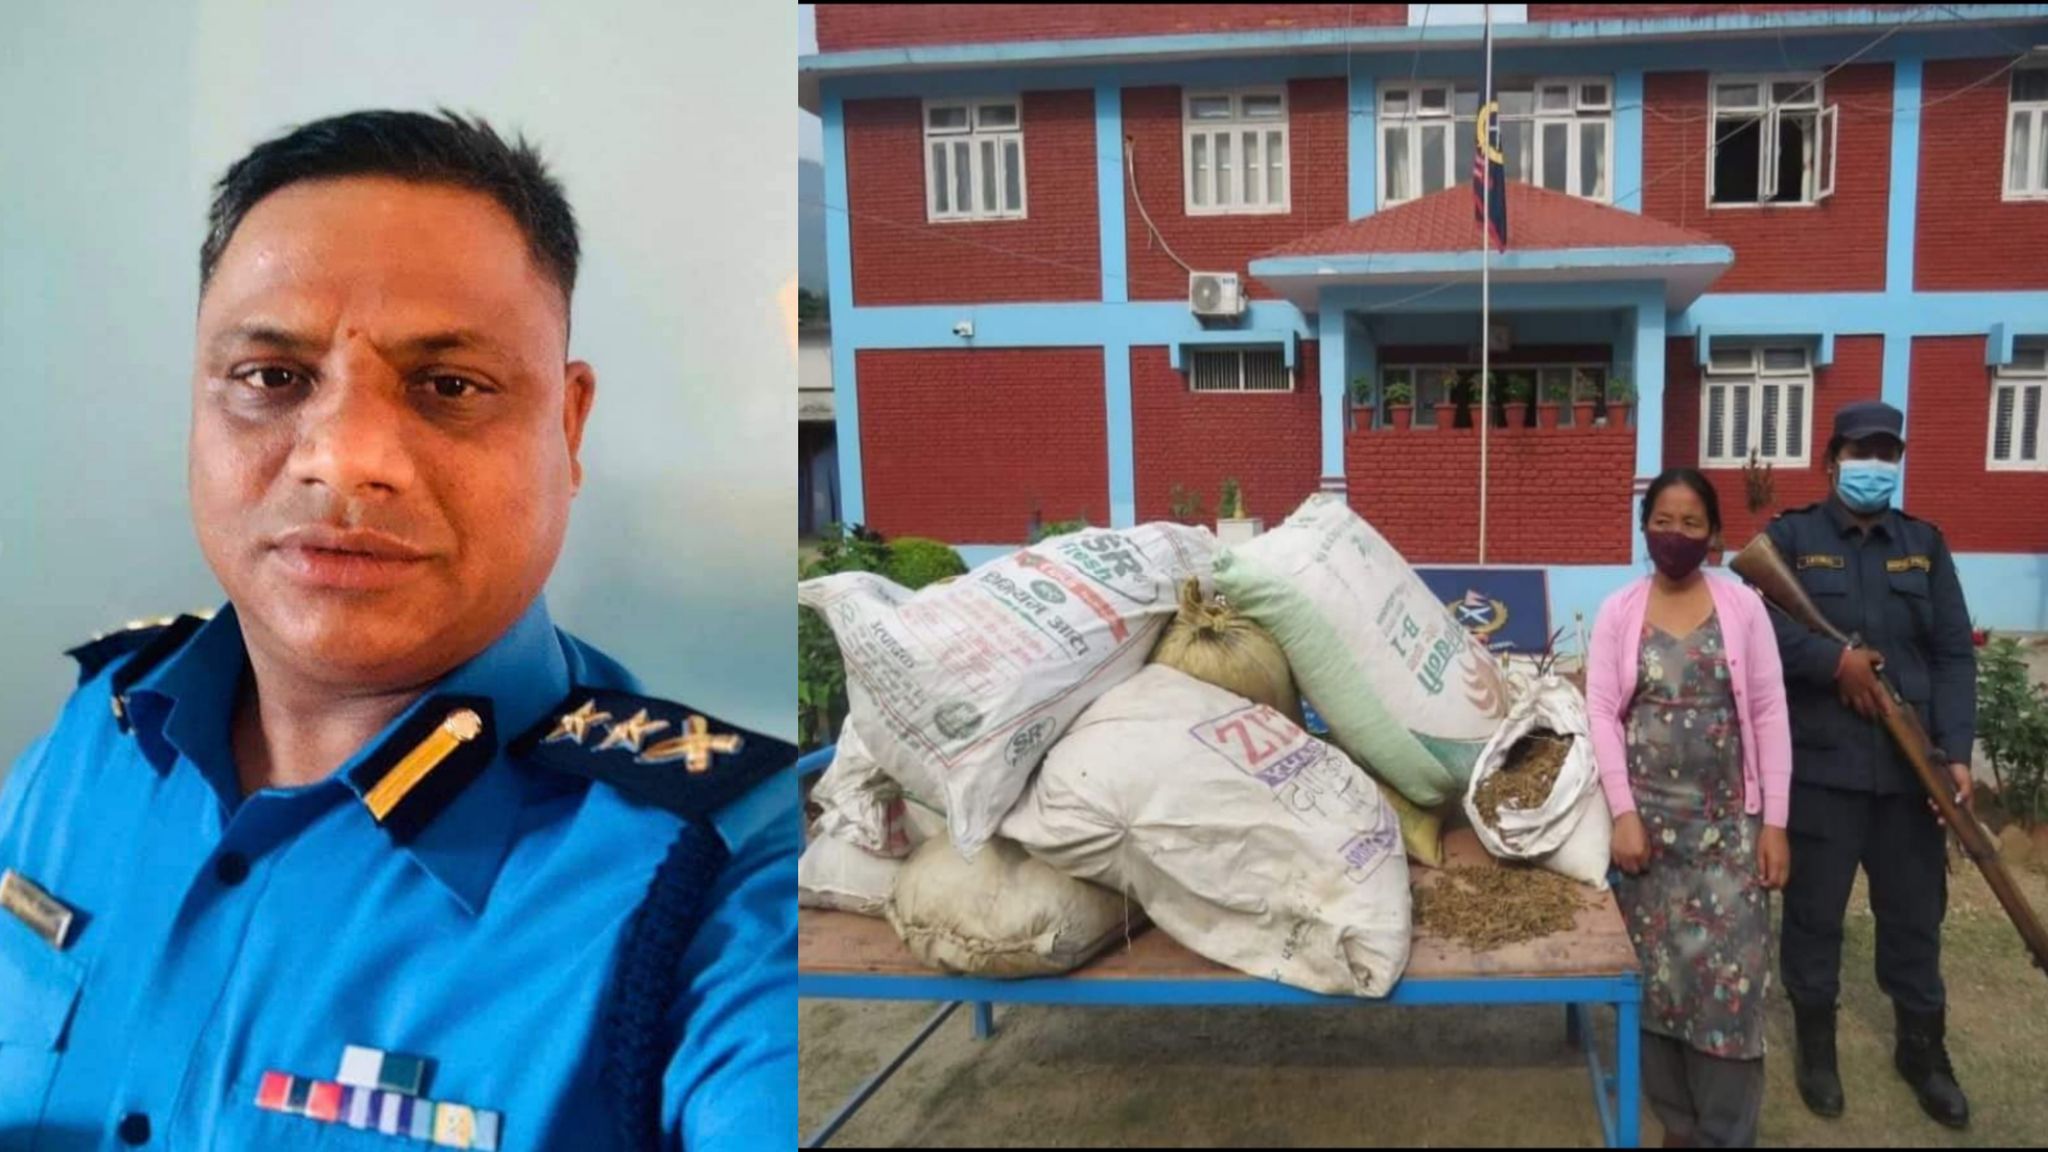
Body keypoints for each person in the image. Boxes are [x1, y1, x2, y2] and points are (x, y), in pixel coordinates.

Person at [0, 111, 795, 1150]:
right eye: (273, 378)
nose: (344, 458)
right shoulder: (91, 742)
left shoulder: (722, 882)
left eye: (449, 386)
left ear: (567, 424)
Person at [1765, 400, 1976, 1130]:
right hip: (1822, 771)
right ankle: (1816, 1048)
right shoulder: (1789, 539)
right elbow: (1757, 630)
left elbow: (1954, 654)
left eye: (1887, 453)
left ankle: (1923, 1052)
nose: (1874, 466)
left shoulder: (1924, 545)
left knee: (1915, 919)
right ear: (1831, 461)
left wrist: (1956, 754)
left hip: (1911, 771)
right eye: (1861, 452)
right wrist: (1834, 663)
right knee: (1814, 917)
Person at [1586, 468, 1793, 1149]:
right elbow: (1602, 714)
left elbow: (1769, 711)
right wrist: (1622, 812)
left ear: (1713, 534)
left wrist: (1775, 823)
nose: (1675, 535)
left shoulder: (1743, 607)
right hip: (1646, 838)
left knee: (1731, 985)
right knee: (1657, 984)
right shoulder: (1619, 611)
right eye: (1663, 522)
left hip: (1728, 834)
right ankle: (1677, 1123)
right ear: (1645, 527)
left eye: (1691, 523)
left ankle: (1725, 1131)